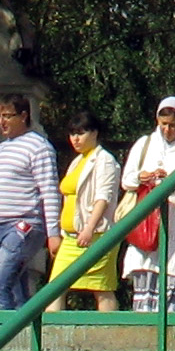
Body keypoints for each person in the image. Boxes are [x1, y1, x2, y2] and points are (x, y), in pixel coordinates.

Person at [0, 96, 57, 311]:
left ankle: (2, 338)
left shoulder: (39, 147)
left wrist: (53, 233)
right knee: (15, 290)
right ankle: (28, 336)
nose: (1, 122)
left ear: (23, 116)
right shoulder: (1, 150)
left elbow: (49, 191)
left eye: (7, 116)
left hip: (23, 227)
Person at [121, 95, 175, 313]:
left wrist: (170, 186)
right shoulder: (145, 144)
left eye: (173, 126)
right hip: (146, 229)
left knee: (169, 298)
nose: (168, 130)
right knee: (143, 299)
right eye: (164, 125)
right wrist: (145, 177)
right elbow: (127, 179)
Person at [54, 117, 124, 311]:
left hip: (97, 236)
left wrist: (89, 228)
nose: (75, 139)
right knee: (56, 287)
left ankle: (109, 334)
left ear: (94, 133)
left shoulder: (105, 160)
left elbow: (103, 196)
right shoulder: (77, 161)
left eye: (81, 133)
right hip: (70, 238)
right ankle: (51, 335)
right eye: (72, 134)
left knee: (101, 288)